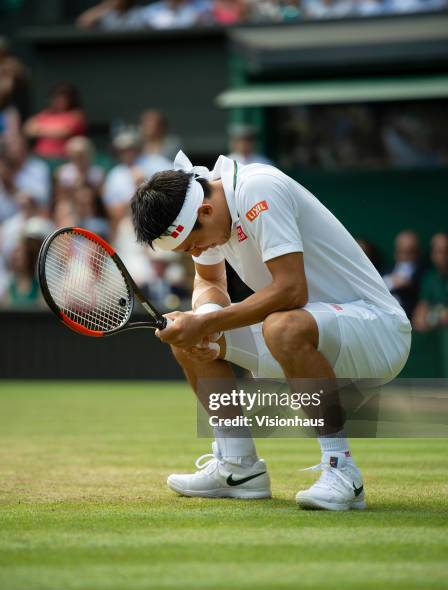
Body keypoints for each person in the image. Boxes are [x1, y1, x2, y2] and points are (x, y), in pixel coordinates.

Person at [130, 150, 412, 511]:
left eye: (195, 244)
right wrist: (205, 320)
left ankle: (342, 471)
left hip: (378, 331)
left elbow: (292, 290)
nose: (197, 252)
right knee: (187, 335)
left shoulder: (257, 188)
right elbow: (209, 279)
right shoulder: (208, 209)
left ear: (205, 212)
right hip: (313, 328)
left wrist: (208, 323)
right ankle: (239, 467)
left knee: (281, 325)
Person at [23, 83, 86, 162]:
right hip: (40, 157)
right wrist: (52, 130)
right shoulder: (45, 113)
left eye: (63, 98)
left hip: (64, 159)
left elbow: (63, 132)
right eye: (56, 98)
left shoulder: (76, 115)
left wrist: (39, 130)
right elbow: (27, 129)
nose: (59, 101)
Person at [383, 230, 425, 319]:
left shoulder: (422, 273)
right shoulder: (387, 270)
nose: (405, 256)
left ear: (418, 253)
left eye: (410, 252)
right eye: (402, 251)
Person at [413, 233, 448, 331]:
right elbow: (419, 316)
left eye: (446, 251)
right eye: (439, 251)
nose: (443, 256)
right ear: (432, 254)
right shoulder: (429, 277)